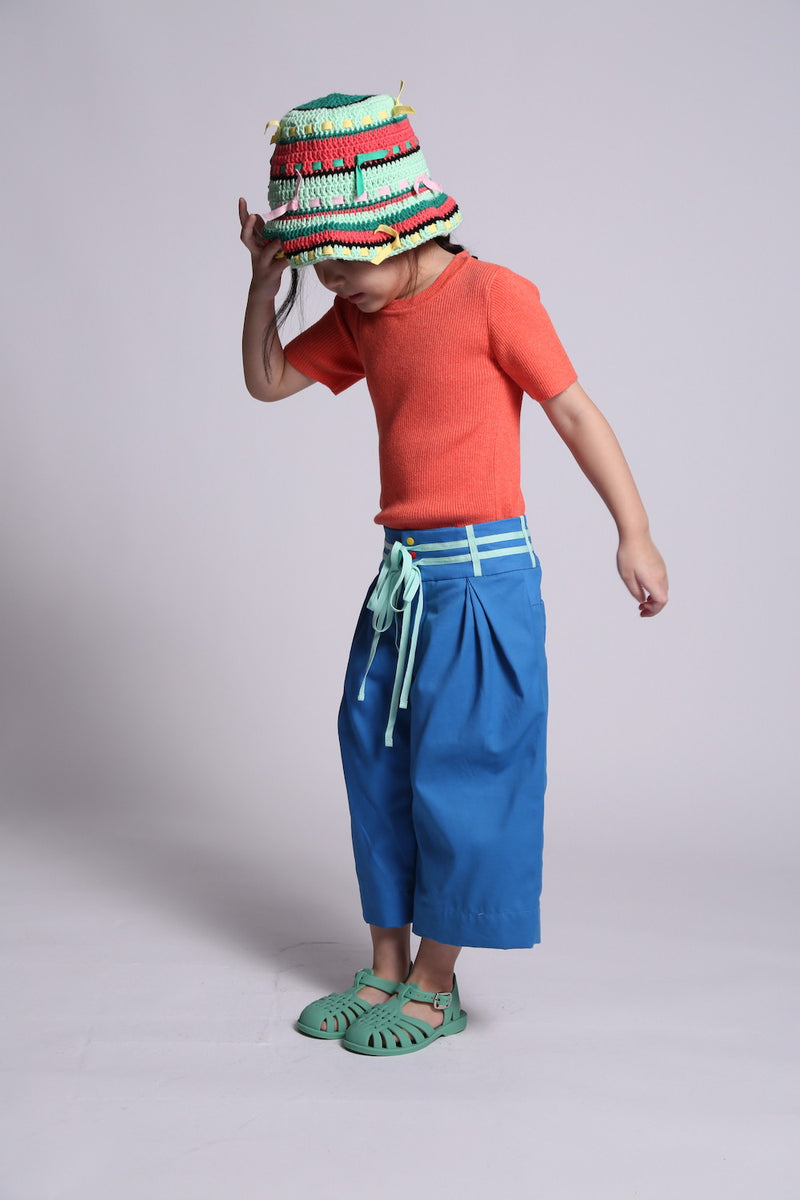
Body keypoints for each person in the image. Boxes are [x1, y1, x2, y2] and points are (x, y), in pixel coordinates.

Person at [238, 89, 668, 1057]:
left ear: (397, 225)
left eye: (343, 261)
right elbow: (265, 381)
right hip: (400, 585)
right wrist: (266, 283)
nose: (335, 282)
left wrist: (632, 531)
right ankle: (386, 965)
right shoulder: (361, 313)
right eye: (319, 265)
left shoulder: (494, 297)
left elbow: (572, 411)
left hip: (481, 581)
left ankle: (437, 983)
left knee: (465, 774)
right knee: (376, 763)